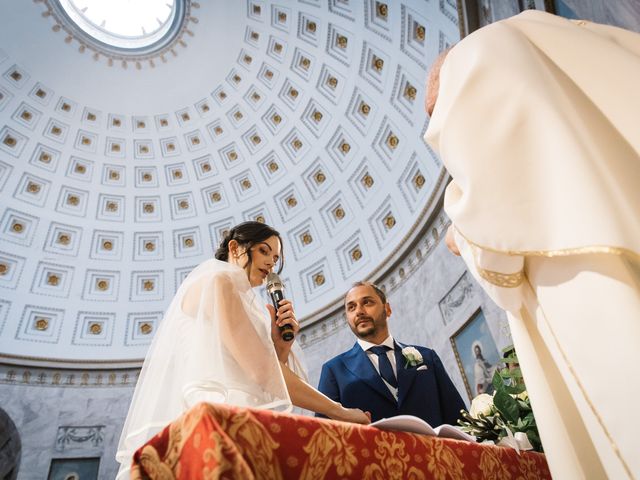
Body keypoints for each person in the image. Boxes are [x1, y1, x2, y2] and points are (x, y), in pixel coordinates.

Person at [424, 10, 640, 479]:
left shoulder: (470, 69)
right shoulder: (550, 36)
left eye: (435, 115)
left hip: (578, 271)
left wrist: (461, 236)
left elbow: (497, 220)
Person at [116, 222, 370, 478]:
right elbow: (262, 372)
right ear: (235, 248)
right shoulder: (219, 280)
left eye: (276, 257)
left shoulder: (249, 302)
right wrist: (339, 411)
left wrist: (279, 346)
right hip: (222, 415)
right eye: (264, 250)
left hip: (247, 413)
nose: (271, 263)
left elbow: (265, 376)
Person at [317, 282, 466, 426]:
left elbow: (459, 420)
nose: (359, 311)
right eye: (351, 307)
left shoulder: (427, 357)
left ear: (387, 309)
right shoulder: (334, 371)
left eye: (367, 302)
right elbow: (325, 435)